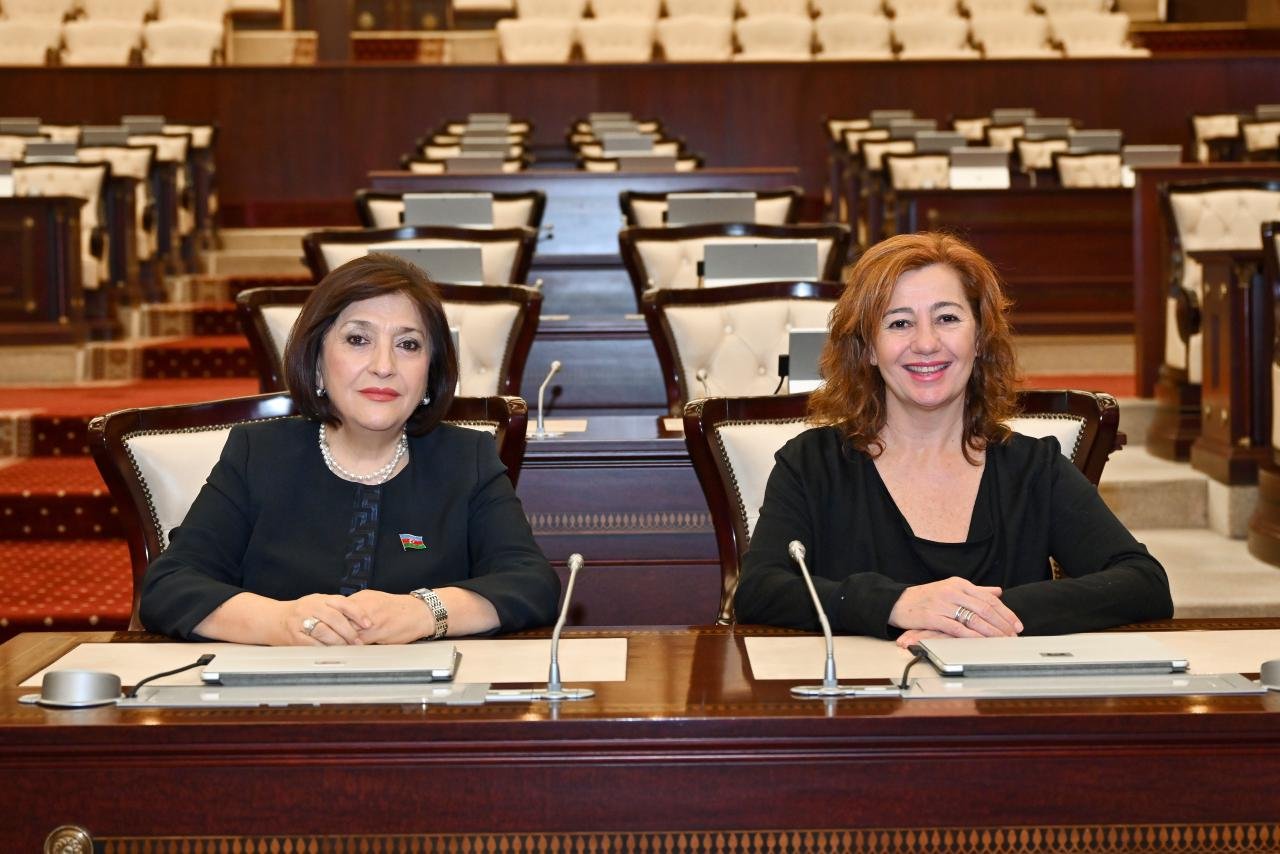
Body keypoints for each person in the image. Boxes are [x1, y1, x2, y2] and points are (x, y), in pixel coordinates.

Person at [735, 232, 1173, 645]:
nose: (926, 343)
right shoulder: (811, 463)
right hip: (860, 695)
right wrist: (897, 604)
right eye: (899, 323)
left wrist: (977, 617)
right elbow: (759, 590)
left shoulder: (1033, 468)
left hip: (999, 698)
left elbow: (1144, 583)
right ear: (868, 349)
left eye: (947, 318)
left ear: (979, 337)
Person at [139, 253, 560, 644]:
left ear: (430, 373)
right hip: (277, 691)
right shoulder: (258, 454)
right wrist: (281, 622)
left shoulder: (466, 458)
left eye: (408, 344)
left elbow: (531, 583)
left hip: (428, 694)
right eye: (358, 339)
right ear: (317, 362)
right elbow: (169, 586)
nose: (384, 366)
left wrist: (426, 611)